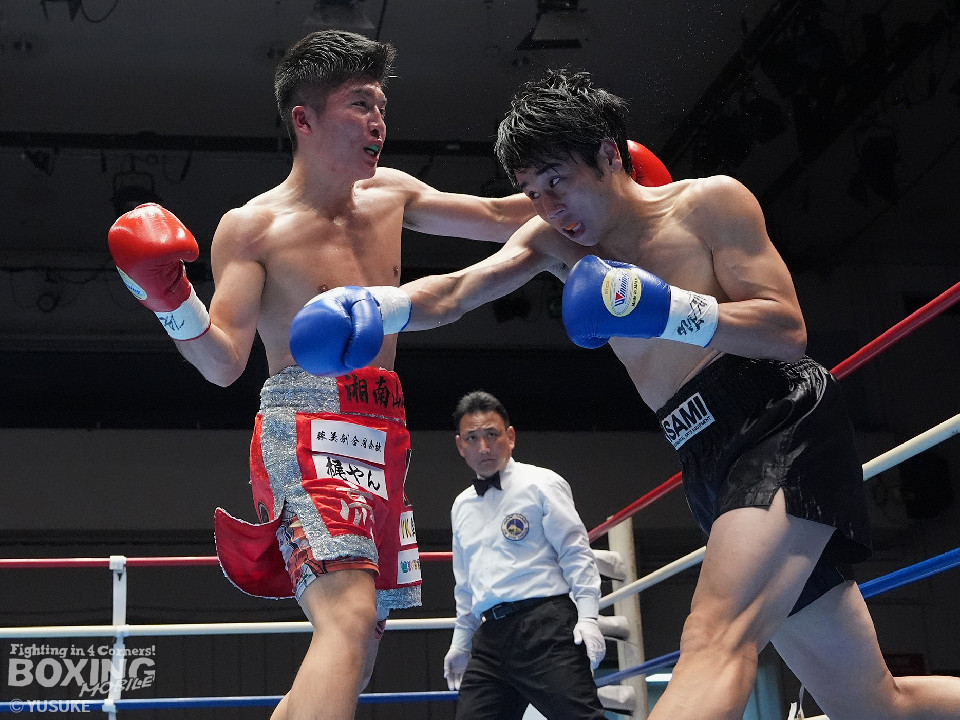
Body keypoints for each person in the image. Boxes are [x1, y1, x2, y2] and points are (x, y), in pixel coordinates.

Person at [290, 68, 960, 720]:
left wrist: (667, 310)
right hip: (702, 453)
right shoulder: (553, 241)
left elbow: (787, 330)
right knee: (873, 704)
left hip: (777, 424)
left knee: (714, 637)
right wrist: (378, 306)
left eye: (559, 181)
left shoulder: (709, 204)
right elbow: (460, 291)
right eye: (532, 192)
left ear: (610, 154)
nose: (550, 208)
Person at [105, 29, 541, 720]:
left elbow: (499, 217)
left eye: (382, 107)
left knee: (358, 645)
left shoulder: (393, 194)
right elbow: (222, 362)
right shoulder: (253, 227)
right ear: (304, 120)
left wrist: (609, 191)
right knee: (347, 619)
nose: (379, 122)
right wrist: (170, 300)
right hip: (303, 426)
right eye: (360, 104)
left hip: (385, 428)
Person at [444, 390, 606, 720]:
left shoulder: (541, 484)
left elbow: (575, 552)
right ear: (461, 445)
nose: (484, 447)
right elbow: (466, 585)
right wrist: (461, 642)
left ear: (511, 437)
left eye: (492, 434)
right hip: (490, 639)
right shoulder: (461, 505)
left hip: (545, 627)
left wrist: (589, 616)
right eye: (473, 438)